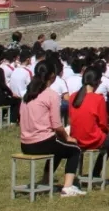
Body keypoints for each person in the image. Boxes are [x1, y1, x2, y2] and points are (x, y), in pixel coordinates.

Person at [19, 64, 85, 197]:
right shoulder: (51, 95)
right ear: (53, 76)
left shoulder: (28, 94)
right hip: (42, 142)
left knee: (59, 149)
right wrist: (67, 137)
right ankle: (68, 187)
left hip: (25, 144)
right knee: (74, 149)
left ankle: (45, 180)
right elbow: (57, 125)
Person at [69, 68, 109, 188]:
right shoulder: (98, 99)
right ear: (97, 82)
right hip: (92, 138)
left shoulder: (73, 97)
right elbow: (103, 123)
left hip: (76, 138)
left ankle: (96, 172)